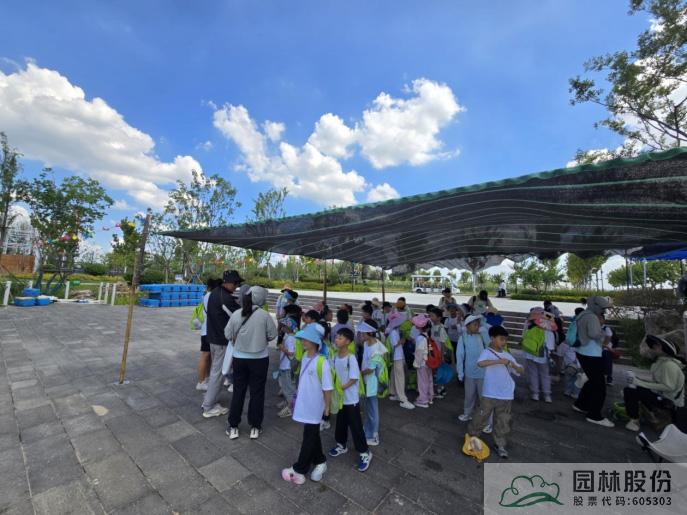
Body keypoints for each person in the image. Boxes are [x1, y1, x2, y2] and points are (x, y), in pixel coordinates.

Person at [281, 325, 333, 485]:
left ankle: (300, 469)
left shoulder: (322, 362)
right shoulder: (304, 356)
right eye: (303, 338)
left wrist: (327, 407)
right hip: (305, 403)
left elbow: (328, 388)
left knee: (309, 435)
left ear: (315, 342)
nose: (303, 341)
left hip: (315, 406)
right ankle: (320, 461)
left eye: (306, 339)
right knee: (312, 434)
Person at [225, 286, 278, 440]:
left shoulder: (237, 314)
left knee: (238, 391)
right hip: (260, 359)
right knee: (257, 392)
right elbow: (272, 334)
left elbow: (227, 334)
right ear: (261, 299)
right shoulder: (264, 315)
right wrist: (261, 338)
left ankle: (233, 426)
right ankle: (255, 426)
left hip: (239, 358)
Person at [466, 325, 524, 459]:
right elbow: (480, 363)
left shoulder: (508, 355)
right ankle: (473, 440)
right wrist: (498, 361)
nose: (504, 342)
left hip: (506, 394)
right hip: (489, 393)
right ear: (492, 338)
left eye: (505, 340)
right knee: (480, 417)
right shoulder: (487, 352)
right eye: (501, 339)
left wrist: (513, 365)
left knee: (503, 420)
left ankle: (500, 444)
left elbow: (521, 370)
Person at [328, 327, 373, 472]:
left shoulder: (351, 358)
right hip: (340, 399)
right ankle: (341, 445)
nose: (336, 340)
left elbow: (354, 378)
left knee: (356, 426)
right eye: (336, 337)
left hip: (351, 399)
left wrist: (340, 388)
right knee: (340, 423)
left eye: (340, 338)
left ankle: (365, 452)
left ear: (347, 342)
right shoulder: (335, 356)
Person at [201, 270, 242, 418]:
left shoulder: (215, 292)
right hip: (221, 341)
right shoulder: (226, 298)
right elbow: (240, 316)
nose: (237, 287)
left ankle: (209, 400)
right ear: (229, 283)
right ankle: (208, 406)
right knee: (218, 374)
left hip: (213, 338)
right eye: (236, 283)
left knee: (215, 371)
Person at [624, 335, 685, 432]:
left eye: (657, 345)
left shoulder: (669, 365)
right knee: (633, 388)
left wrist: (639, 382)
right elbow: (656, 381)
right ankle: (649, 415)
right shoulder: (662, 363)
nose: (654, 347)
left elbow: (669, 387)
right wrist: (638, 380)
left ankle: (635, 420)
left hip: (669, 403)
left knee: (630, 391)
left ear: (665, 350)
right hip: (662, 397)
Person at [573, 296, 615, 427]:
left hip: (583, 351)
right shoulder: (591, 317)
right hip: (591, 353)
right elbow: (593, 334)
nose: (604, 311)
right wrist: (603, 333)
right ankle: (594, 415)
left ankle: (581, 404)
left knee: (593, 381)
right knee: (600, 386)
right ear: (596, 306)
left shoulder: (584, 314)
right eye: (603, 308)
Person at [456, 314, 491, 428]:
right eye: (474, 325)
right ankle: (468, 413)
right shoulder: (463, 338)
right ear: (467, 326)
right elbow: (460, 355)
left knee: (484, 397)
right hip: (469, 372)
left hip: (483, 372)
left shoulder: (482, 335)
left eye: (478, 324)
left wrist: (484, 332)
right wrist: (460, 372)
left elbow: (490, 347)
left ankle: (487, 421)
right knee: (469, 395)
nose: (477, 326)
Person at [359, 319, 386, 446]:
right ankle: (368, 428)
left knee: (372, 408)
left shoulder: (375, 349)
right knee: (368, 407)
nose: (361, 335)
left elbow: (370, 369)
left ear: (369, 333)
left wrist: (359, 373)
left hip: (372, 382)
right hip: (367, 380)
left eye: (363, 333)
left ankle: (374, 435)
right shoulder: (367, 344)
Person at [522, 309, 556, 403]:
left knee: (533, 373)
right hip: (543, 357)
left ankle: (535, 394)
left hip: (530, 354)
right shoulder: (549, 333)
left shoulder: (529, 329)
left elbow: (524, 341)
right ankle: (547, 395)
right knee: (545, 375)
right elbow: (551, 348)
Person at [195, 278, 222, 391]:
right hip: (208, 331)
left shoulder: (208, 295)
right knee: (205, 355)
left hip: (207, 330)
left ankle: (206, 378)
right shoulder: (211, 296)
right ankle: (201, 382)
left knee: (208, 356)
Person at [385, 312, 415, 410]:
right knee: (400, 378)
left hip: (397, 356)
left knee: (394, 375)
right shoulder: (394, 332)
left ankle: (393, 393)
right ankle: (402, 399)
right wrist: (402, 341)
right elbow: (395, 344)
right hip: (397, 357)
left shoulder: (394, 330)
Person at [276, 316, 298, 418]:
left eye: (283, 326)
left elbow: (291, 353)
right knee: (285, 386)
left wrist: (282, 348)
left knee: (288, 388)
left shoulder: (290, 338)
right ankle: (287, 402)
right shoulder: (290, 337)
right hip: (285, 365)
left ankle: (290, 407)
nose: (282, 328)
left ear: (288, 328)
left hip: (287, 366)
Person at [412, 314, 434, 408]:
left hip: (422, 363)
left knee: (422, 382)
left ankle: (423, 400)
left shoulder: (420, 337)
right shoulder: (427, 335)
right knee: (429, 380)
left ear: (419, 326)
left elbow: (419, 352)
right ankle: (430, 397)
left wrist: (416, 363)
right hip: (428, 361)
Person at [429, 307, 451, 398]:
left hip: (439, 355)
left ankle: (441, 391)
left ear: (439, 318)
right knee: (436, 372)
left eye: (432, 316)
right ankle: (440, 389)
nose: (430, 317)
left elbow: (443, 344)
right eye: (430, 315)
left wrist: (442, 356)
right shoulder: (433, 326)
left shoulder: (441, 329)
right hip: (434, 354)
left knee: (440, 373)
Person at [600, 314, 619, 385]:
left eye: (600, 319)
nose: (598, 320)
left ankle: (609, 378)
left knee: (607, 359)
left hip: (607, 349)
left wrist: (602, 347)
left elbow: (607, 341)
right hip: (598, 348)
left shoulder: (607, 328)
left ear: (604, 320)